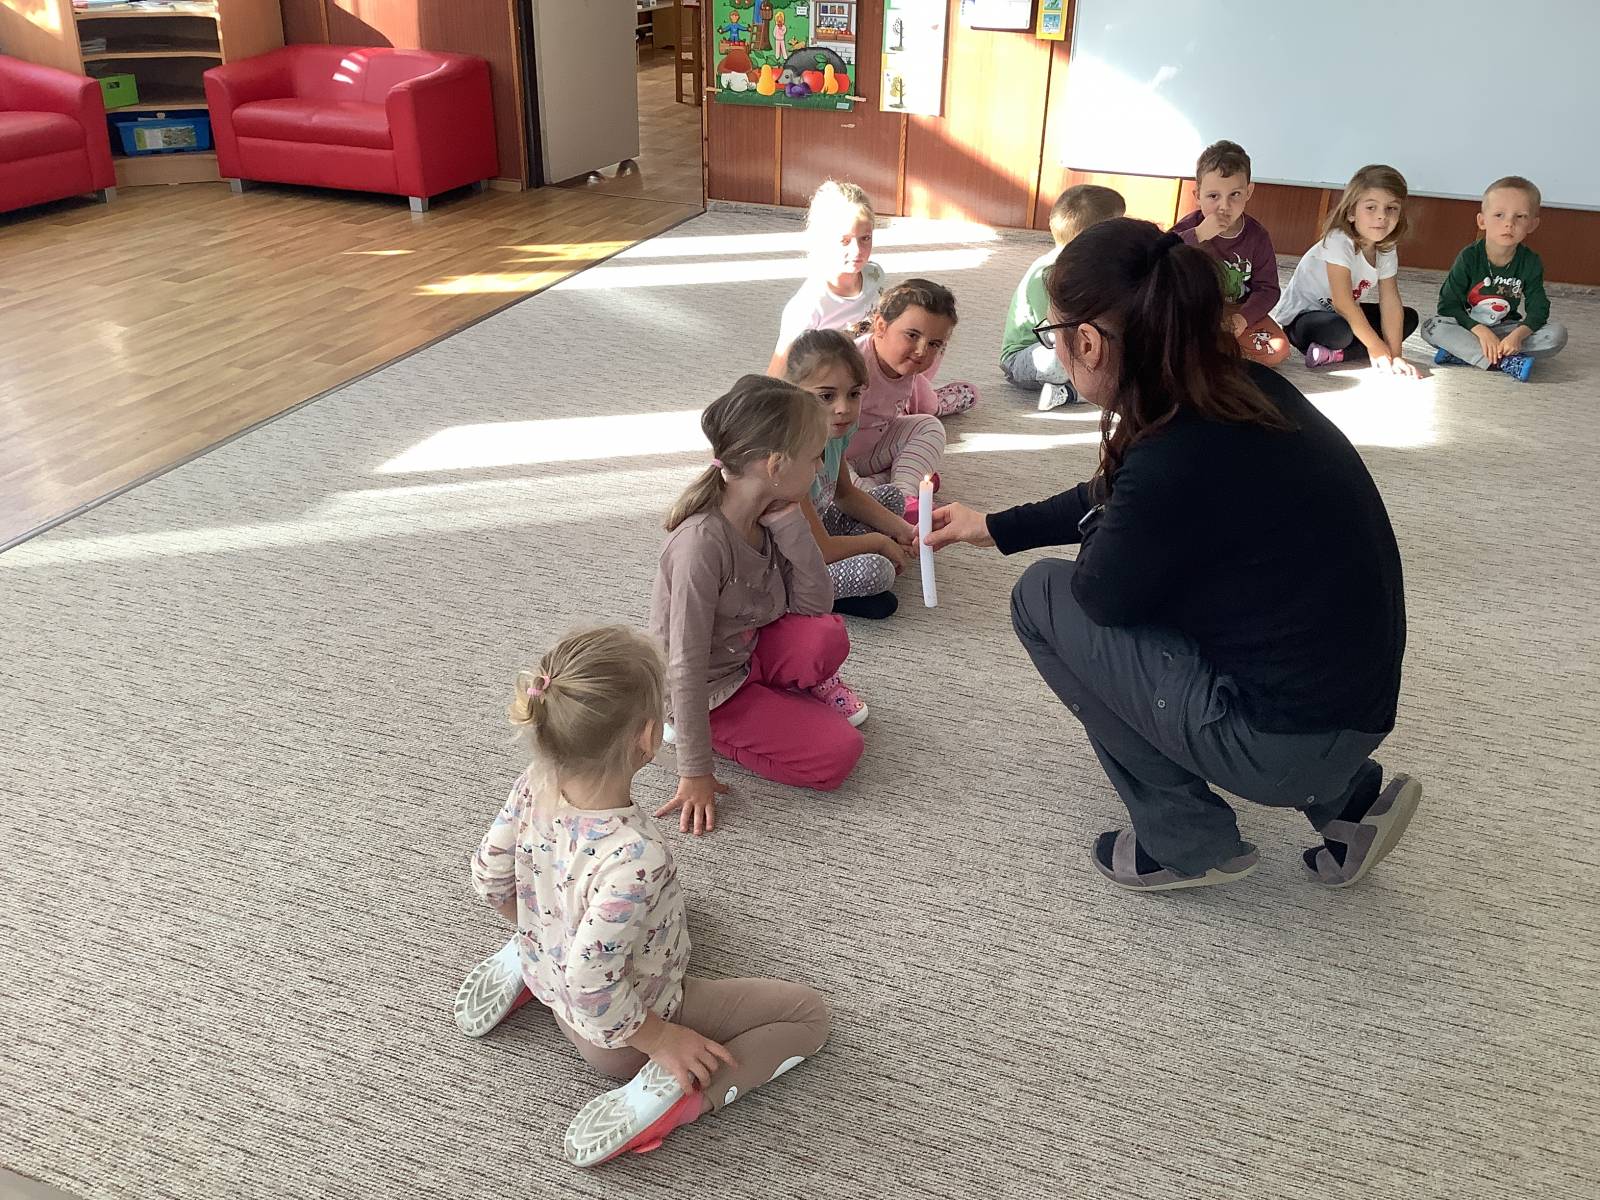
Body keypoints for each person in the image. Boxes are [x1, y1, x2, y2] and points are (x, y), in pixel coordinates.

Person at [926, 218, 1423, 892]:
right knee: (1227, 597)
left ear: (1088, 342)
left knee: (1042, 598)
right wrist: (999, 525)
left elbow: (1100, 593)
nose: (1057, 347)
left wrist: (1090, 540)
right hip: (1354, 711)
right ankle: (1349, 806)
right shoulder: (1235, 387)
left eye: (1054, 334)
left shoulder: (1171, 456)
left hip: (1282, 747)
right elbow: (1119, 494)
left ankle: (1187, 840)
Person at [454, 626, 831, 1168]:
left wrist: (537, 929)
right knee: (807, 1016)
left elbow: (489, 877)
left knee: (651, 918)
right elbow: (590, 984)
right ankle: (683, 1099)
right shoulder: (637, 858)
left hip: (550, 972)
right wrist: (660, 1039)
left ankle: (533, 954)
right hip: (618, 1039)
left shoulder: (534, 781)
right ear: (650, 738)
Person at [651, 375, 868, 837]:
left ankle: (774, 701)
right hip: (711, 688)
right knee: (838, 755)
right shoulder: (700, 546)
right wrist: (695, 769)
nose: (820, 467)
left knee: (826, 635)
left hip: (748, 649)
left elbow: (815, 605)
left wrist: (792, 526)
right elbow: (684, 664)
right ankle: (693, 729)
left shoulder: (772, 512)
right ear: (775, 465)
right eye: (815, 457)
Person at [769, 180, 977, 416]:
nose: (857, 251)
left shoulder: (873, 274)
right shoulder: (808, 305)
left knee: (930, 332)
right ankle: (930, 403)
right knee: (919, 408)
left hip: (879, 364)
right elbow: (778, 371)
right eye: (844, 240)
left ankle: (912, 394)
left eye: (865, 238)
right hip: (843, 386)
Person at [785, 329, 916, 620]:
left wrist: (904, 530)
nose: (843, 408)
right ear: (793, 394)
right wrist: (879, 542)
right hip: (784, 566)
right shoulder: (789, 460)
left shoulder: (834, 433)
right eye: (826, 396)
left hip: (817, 532)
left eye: (854, 394)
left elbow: (844, 494)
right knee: (877, 571)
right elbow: (821, 549)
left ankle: (842, 581)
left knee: (892, 497)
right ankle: (801, 597)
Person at [1272, 164, 1421, 376]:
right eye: (1371, 207)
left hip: (1342, 314)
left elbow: (1390, 301)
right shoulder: (1338, 241)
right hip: (1304, 319)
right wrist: (1375, 345)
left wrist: (1396, 355)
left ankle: (1337, 355)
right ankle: (1352, 349)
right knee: (1340, 332)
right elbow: (1342, 303)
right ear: (1351, 212)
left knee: (1408, 318)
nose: (1382, 216)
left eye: (1391, 208)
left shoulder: (1386, 247)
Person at [1421, 175, 1569, 382]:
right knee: (1431, 327)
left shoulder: (1530, 261)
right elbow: (1448, 305)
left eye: (1520, 216)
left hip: (1506, 330)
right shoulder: (1469, 257)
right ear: (1482, 221)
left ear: (1532, 224)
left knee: (1556, 334)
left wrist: (1517, 336)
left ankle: (1465, 353)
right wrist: (1481, 331)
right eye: (1499, 215)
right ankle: (1506, 361)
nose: (1509, 223)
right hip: (1468, 328)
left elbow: (1539, 308)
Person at [1000, 184, 1126, 409]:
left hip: (1072, 342)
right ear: (1092, 240)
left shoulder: (1095, 267)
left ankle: (1080, 388)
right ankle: (1077, 392)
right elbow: (1055, 333)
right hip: (1026, 357)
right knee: (1093, 357)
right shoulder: (1047, 275)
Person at [1171, 140, 1289, 368]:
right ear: (1197, 195)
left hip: (1237, 311)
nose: (1224, 206)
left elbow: (1268, 289)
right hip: (1193, 308)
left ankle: (1215, 349)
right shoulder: (1190, 228)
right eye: (1213, 196)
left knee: (1277, 350)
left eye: (1235, 194)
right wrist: (1198, 234)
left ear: (1248, 192)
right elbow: (1160, 256)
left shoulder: (1257, 236)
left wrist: (1243, 318)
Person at [848, 279, 958, 520]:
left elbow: (922, 405)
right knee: (825, 478)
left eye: (934, 344)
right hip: (833, 458)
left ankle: (904, 497)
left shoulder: (905, 366)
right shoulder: (850, 364)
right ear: (880, 326)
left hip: (870, 450)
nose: (921, 351)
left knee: (929, 427)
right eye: (912, 335)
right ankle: (881, 498)